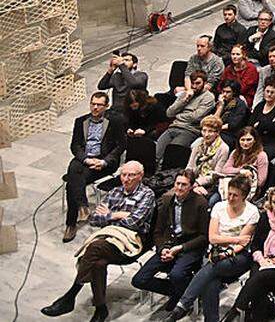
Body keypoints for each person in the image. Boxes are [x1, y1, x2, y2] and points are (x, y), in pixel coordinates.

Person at [41, 162, 155, 322]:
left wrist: (109, 215)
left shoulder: (147, 194)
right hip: (109, 237)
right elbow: (94, 219)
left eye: (131, 175)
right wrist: (117, 215)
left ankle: (70, 296)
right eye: (123, 175)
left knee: (94, 248)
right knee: (98, 263)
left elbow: (134, 223)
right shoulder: (115, 191)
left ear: (140, 176)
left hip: (131, 241)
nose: (126, 179)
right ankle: (101, 309)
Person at [162, 176, 258, 322]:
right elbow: (212, 237)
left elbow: (242, 245)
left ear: (244, 197)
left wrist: (228, 249)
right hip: (215, 253)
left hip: (238, 256)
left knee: (212, 267)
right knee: (211, 279)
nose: (230, 198)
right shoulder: (219, 207)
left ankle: (181, 307)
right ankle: (209, 319)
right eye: (229, 193)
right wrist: (235, 239)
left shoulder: (252, 212)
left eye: (235, 195)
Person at [130, 170, 208, 312]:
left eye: (184, 185)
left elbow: (204, 237)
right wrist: (162, 249)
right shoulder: (167, 200)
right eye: (177, 183)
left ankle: (183, 295)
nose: (179, 187)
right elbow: (158, 231)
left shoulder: (200, 203)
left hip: (190, 247)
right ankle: (180, 293)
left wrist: (181, 248)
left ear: (191, 186)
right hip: (169, 244)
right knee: (139, 280)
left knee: (176, 275)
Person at [228, 185, 275, 321]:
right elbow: (256, 244)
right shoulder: (265, 217)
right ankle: (263, 313)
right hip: (262, 259)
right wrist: (261, 259)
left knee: (258, 278)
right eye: (273, 202)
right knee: (258, 282)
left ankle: (237, 310)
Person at [62, 92, 126, 244]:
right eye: (93, 104)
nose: (95, 107)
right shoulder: (80, 121)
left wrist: (104, 162)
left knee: (72, 182)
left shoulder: (115, 122)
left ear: (106, 106)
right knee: (74, 170)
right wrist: (85, 159)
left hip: (103, 162)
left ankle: (71, 223)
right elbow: (75, 145)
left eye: (99, 105)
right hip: (85, 159)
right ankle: (82, 205)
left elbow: (121, 146)